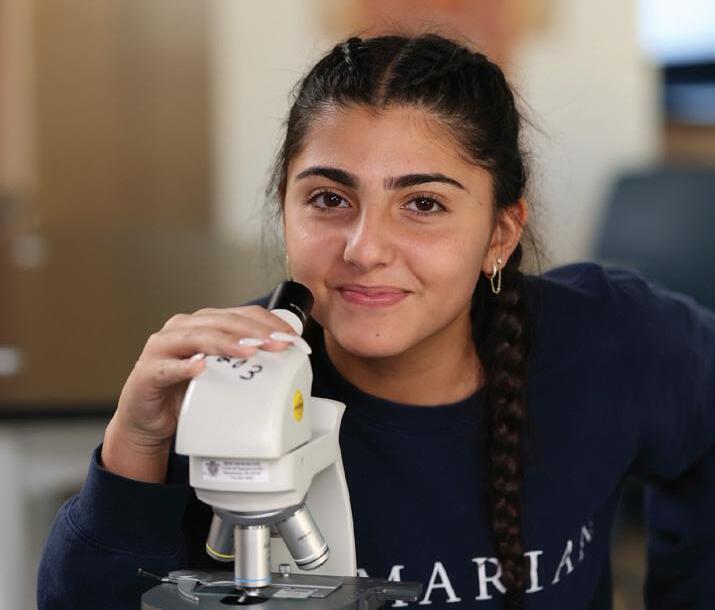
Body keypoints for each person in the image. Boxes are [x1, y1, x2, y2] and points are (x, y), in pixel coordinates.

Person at [37, 34, 715, 610]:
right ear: (284, 210)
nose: (364, 249)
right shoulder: (228, 387)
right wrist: (136, 445)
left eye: (422, 204)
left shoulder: (607, 338)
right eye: (329, 198)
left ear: (499, 234)